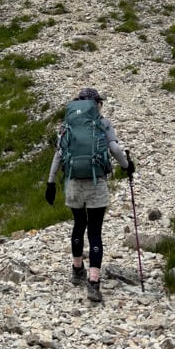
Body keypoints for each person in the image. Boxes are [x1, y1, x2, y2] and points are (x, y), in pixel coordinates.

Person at [44, 87, 135, 303]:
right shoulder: (103, 123)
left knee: (78, 225)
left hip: (74, 182)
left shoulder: (68, 125)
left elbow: (59, 155)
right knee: (95, 232)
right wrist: (126, 165)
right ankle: (93, 283)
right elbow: (114, 148)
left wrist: (50, 182)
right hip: (97, 183)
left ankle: (77, 270)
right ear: (96, 104)